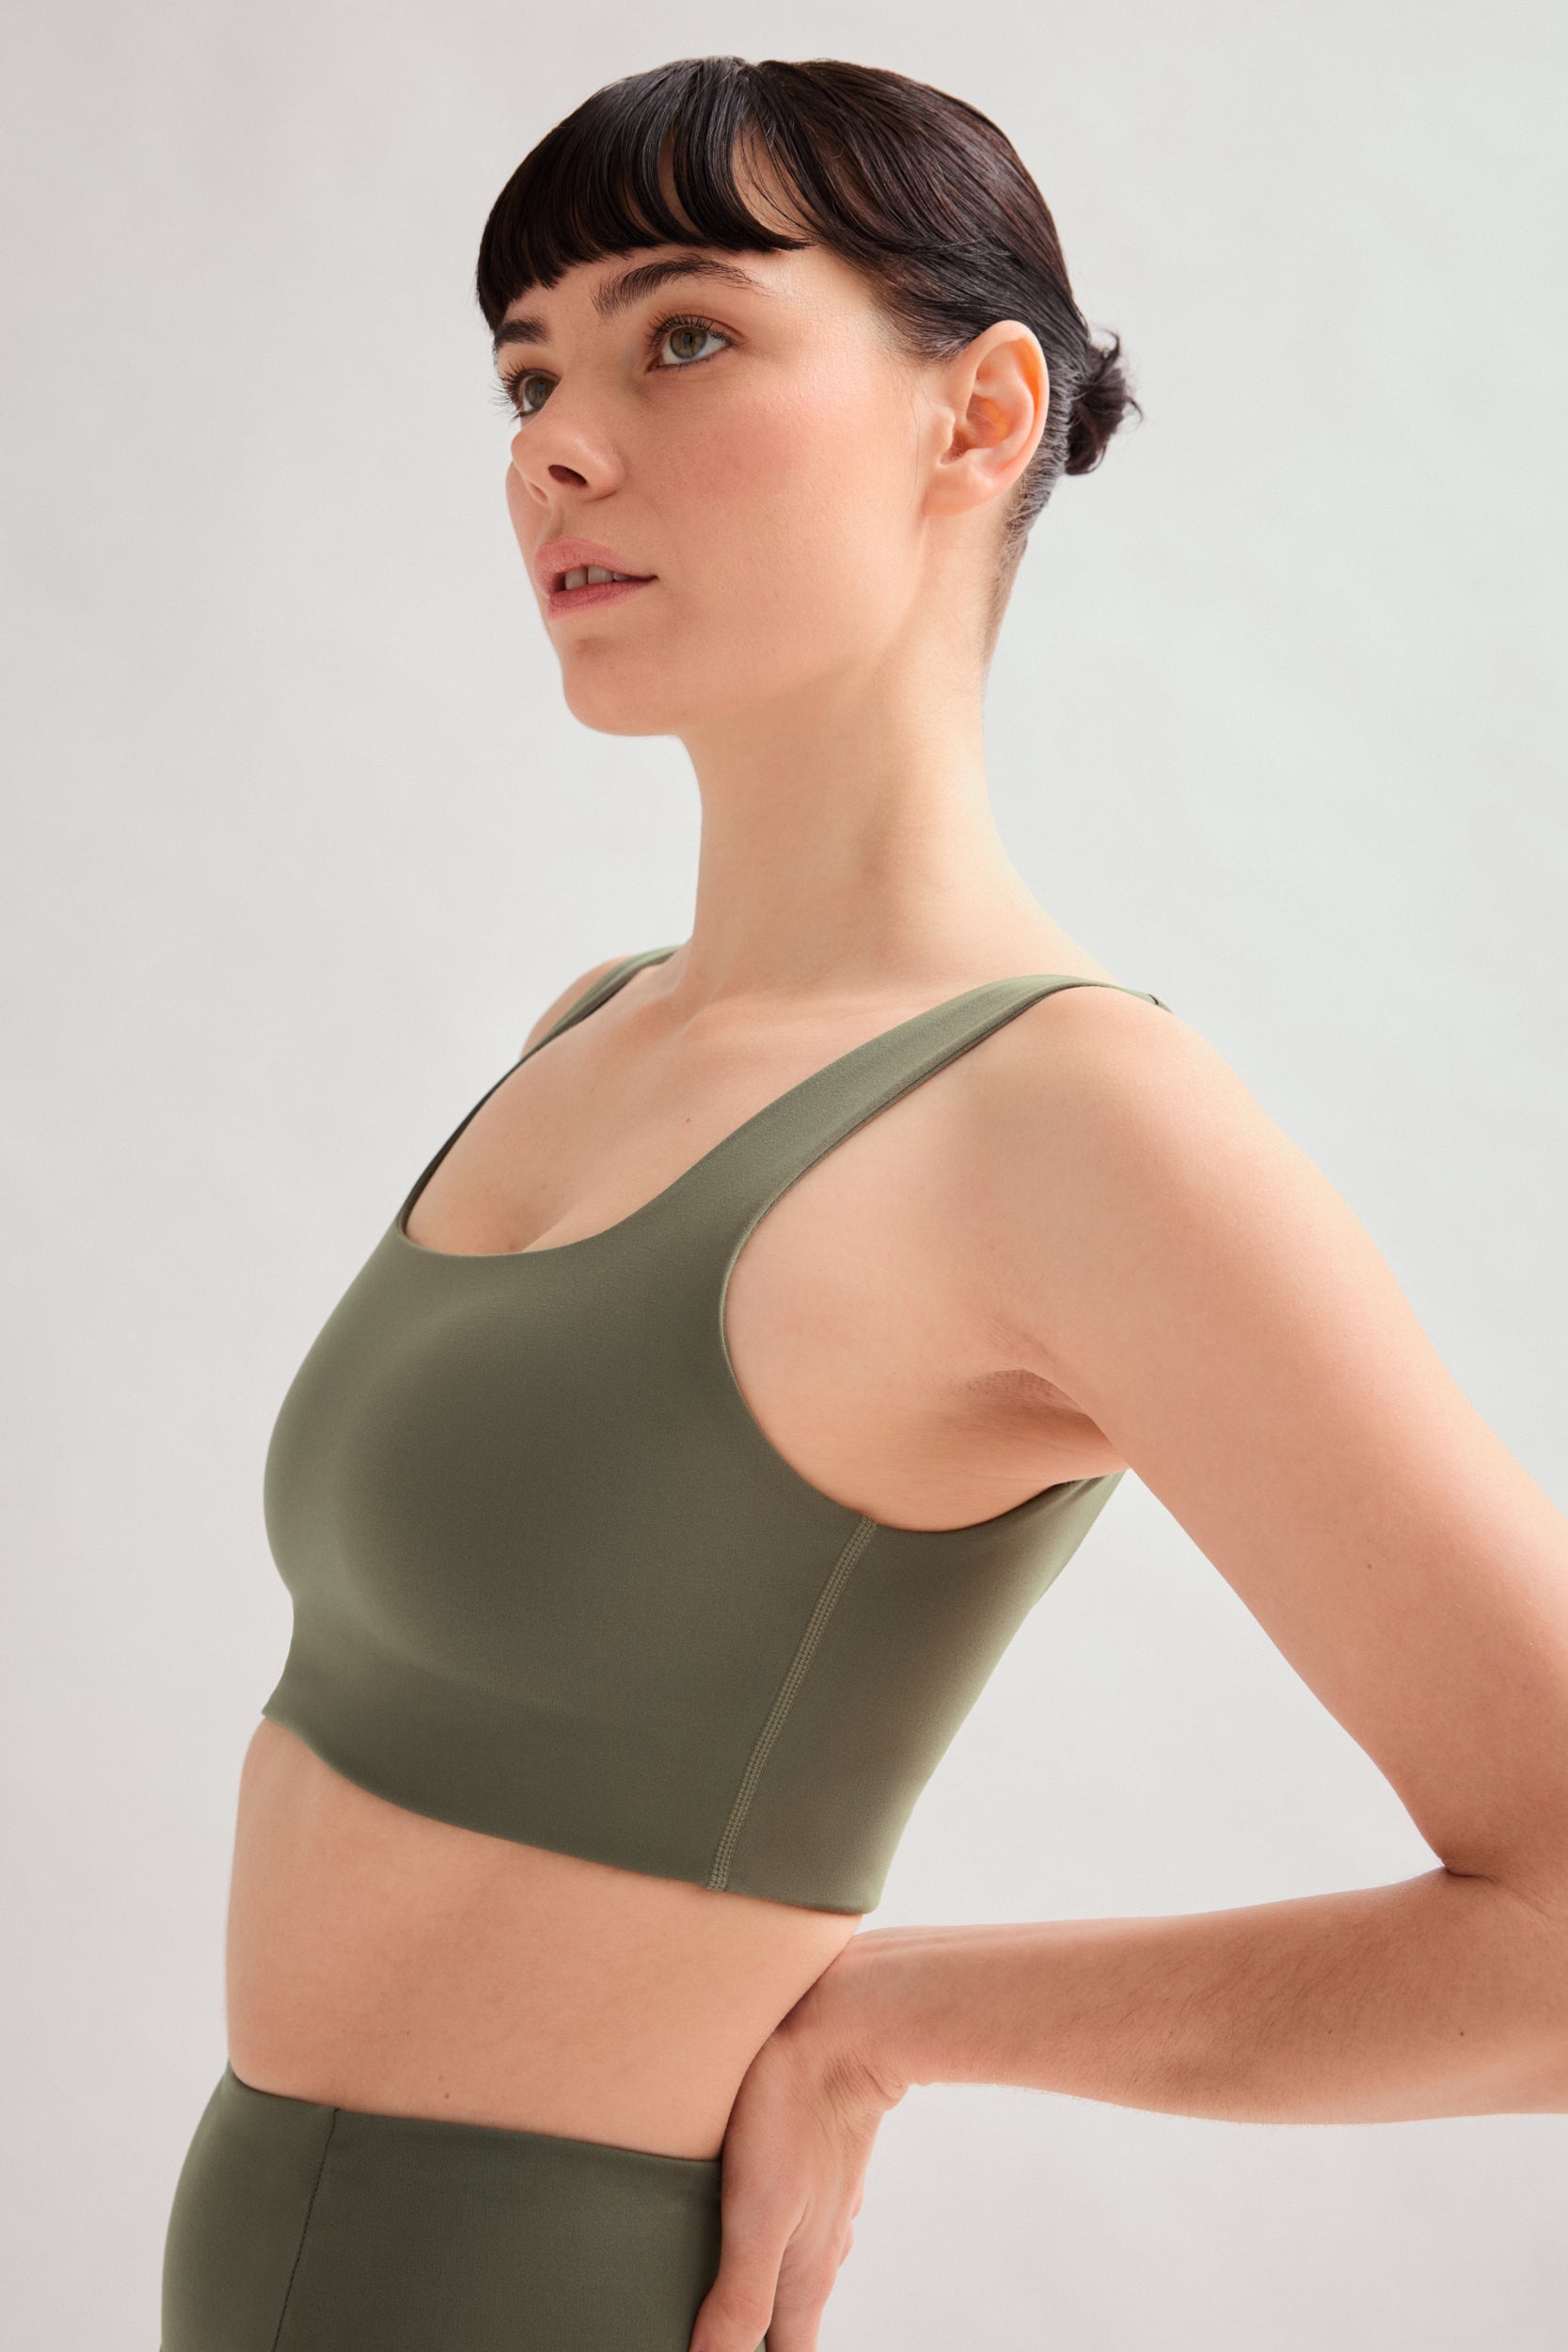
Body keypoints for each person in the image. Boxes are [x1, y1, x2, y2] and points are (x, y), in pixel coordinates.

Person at [158, 53, 1568, 2352]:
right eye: (527, 374)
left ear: (980, 413)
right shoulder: (593, 1025)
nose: (555, 445)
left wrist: (900, 2016)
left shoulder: (1073, 1123)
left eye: (682, 335)